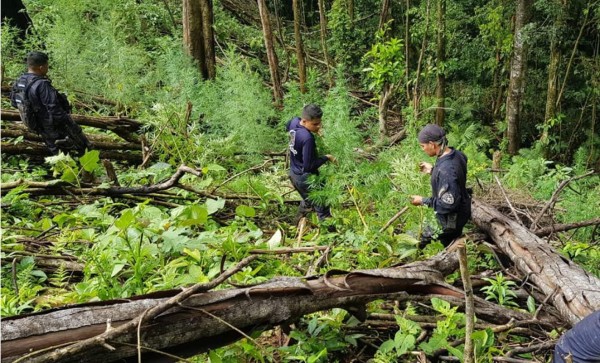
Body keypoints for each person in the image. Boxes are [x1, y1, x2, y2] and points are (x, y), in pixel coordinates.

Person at [10, 51, 91, 156]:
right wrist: (71, 125)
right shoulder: (42, 84)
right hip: (53, 127)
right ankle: (84, 170)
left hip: (39, 127)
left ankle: (67, 169)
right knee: (83, 150)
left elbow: (14, 103)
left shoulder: (19, 81)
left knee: (58, 155)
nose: (48, 68)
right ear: (41, 67)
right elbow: (55, 110)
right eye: (47, 65)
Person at [410, 124, 471, 246]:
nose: (422, 149)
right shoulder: (457, 155)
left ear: (432, 144)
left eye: (423, 146)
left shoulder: (446, 169)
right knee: (449, 247)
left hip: (450, 221)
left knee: (411, 238)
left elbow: (448, 204)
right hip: (461, 212)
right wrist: (433, 171)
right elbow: (455, 178)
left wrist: (422, 201)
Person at [286, 104, 336, 223]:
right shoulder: (307, 138)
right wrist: (326, 157)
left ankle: (295, 224)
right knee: (322, 207)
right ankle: (331, 236)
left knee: (308, 201)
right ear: (304, 121)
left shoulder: (294, 123)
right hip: (306, 178)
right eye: (315, 124)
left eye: (319, 123)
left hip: (294, 174)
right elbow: (308, 166)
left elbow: (288, 126)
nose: (318, 127)